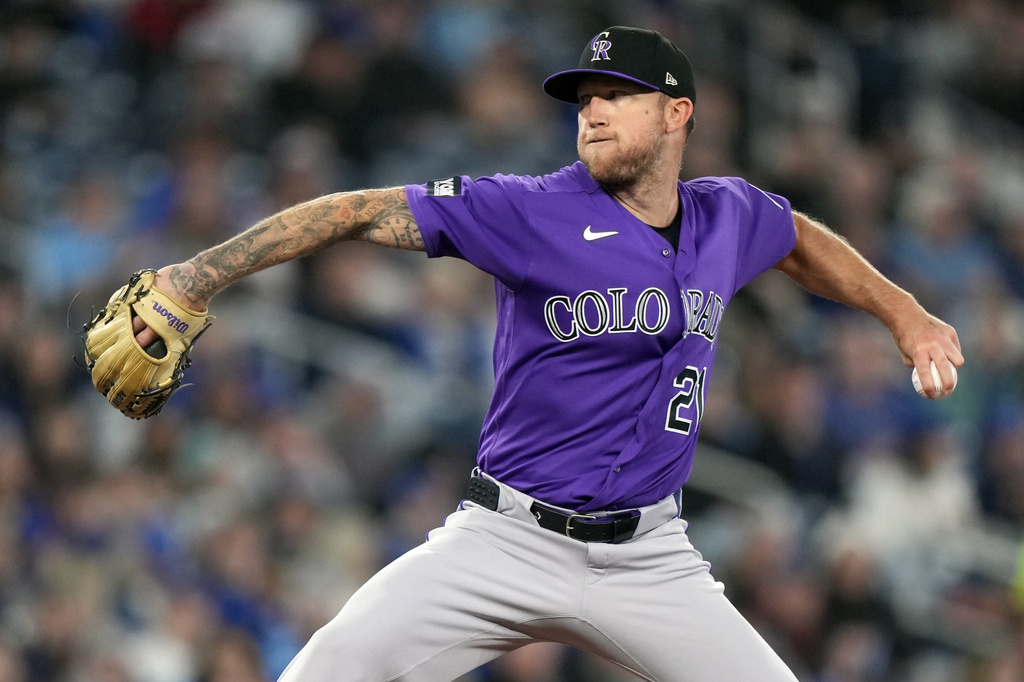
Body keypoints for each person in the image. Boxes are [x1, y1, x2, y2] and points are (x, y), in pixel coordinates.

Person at [132, 26, 963, 681]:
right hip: (506, 539)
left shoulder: (728, 216)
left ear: (677, 114)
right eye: (584, 99)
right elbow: (357, 210)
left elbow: (798, 241)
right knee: (329, 670)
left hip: (650, 558)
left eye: (616, 95)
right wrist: (199, 274)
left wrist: (907, 314)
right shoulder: (530, 210)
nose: (592, 112)